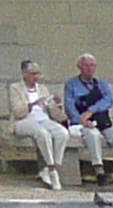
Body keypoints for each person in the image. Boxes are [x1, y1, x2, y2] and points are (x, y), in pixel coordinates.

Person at [62, 52, 113, 190]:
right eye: (87, 65)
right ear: (79, 67)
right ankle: (99, 170)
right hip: (82, 123)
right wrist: (82, 120)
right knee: (92, 135)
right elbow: (70, 107)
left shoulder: (101, 84)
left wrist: (91, 111)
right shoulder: (71, 85)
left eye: (92, 65)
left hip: (101, 120)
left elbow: (108, 101)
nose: (90, 69)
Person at [8, 60, 71, 189]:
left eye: (37, 74)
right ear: (25, 74)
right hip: (24, 120)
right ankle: (53, 170)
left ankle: (51, 167)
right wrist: (33, 104)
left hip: (43, 119)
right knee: (42, 133)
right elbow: (17, 111)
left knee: (62, 133)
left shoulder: (42, 89)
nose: (35, 77)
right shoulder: (15, 88)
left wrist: (57, 104)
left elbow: (55, 115)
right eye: (32, 74)